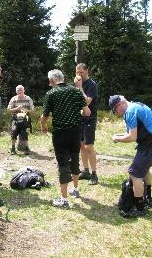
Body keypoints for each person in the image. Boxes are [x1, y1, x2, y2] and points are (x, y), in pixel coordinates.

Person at [41, 69, 91, 208]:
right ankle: (75, 189)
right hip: (76, 132)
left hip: (60, 133)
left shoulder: (51, 93)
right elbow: (87, 112)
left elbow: (44, 116)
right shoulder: (75, 91)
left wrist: (43, 126)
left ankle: (64, 199)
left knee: (63, 163)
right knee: (75, 159)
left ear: (52, 81)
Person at [109, 95, 152, 216]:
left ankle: (139, 207)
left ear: (119, 105)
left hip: (151, 143)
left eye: (115, 111)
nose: (117, 114)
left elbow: (131, 137)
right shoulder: (136, 105)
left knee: (134, 174)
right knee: (144, 170)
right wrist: (117, 135)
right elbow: (130, 132)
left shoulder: (130, 112)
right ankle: (148, 198)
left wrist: (117, 140)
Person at [74, 63, 99, 185]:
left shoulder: (91, 85)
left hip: (89, 118)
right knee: (81, 146)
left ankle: (94, 174)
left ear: (87, 71)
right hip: (79, 119)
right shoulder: (77, 85)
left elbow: (87, 101)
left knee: (89, 146)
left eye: (81, 72)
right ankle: (86, 171)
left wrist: (79, 88)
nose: (79, 74)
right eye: (77, 72)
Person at [7, 85, 34, 155]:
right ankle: (12, 148)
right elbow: (8, 110)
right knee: (13, 133)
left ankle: (26, 148)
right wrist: (17, 109)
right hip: (14, 119)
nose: (19, 91)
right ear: (16, 91)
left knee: (24, 133)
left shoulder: (28, 98)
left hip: (25, 119)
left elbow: (33, 110)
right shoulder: (13, 99)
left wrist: (26, 110)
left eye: (21, 90)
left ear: (24, 90)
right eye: (18, 90)